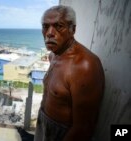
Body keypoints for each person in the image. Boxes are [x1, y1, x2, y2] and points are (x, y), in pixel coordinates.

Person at [34, 5, 105, 141]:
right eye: (45, 26)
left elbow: (83, 128)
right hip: (43, 125)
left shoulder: (84, 66)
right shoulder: (53, 56)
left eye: (59, 26)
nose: (49, 32)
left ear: (73, 29)